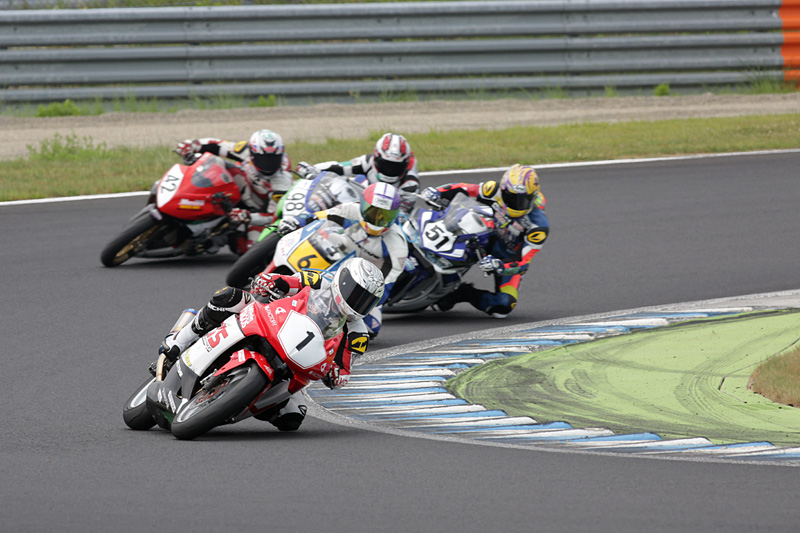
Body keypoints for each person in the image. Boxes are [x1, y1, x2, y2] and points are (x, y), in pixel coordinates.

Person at [155, 257, 384, 432]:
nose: (357, 303)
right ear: (342, 281)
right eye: (356, 294)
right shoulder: (320, 281)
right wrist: (270, 281)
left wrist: (337, 376)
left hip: (296, 361)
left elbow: (345, 367)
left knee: (291, 419)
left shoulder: (358, 335)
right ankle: (180, 339)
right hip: (273, 320)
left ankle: (232, 402)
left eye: (366, 300)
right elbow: (287, 281)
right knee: (229, 297)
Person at [276, 182, 408, 337]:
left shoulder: (397, 244)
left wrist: (360, 300)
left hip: (361, 282)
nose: (377, 219)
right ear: (363, 205)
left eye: (385, 216)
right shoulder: (350, 209)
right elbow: (319, 216)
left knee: (371, 328)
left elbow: (386, 285)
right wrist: (297, 221)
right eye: (373, 212)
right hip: (338, 255)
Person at [421, 164, 549, 318]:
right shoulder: (494, 190)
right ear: (503, 190)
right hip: (486, 236)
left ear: (533, 196)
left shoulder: (538, 227)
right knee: (462, 220)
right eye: (510, 197)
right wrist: (437, 192)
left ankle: (463, 293)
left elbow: (523, 263)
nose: (516, 203)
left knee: (503, 306)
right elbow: (464, 188)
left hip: (507, 257)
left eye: (523, 199)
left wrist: (500, 266)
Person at [175, 129, 294, 252]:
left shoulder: (283, 181)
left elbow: (272, 216)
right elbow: (218, 145)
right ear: (252, 153)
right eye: (263, 158)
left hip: (258, 208)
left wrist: (248, 217)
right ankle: (188, 197)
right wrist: (193, 145)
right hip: (241, 184)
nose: (268, 163)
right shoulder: (244, 150)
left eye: (273, 158)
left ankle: (221, 237)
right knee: (214, 164)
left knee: (248, 249)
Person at [299, 132, 420, 210]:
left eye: (395, 166)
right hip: (367, 201)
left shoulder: (410, 185)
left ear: (405, 164)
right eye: (385, 164)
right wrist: (313, 169)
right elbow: (338, 167)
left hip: (390, 215)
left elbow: (400, 216)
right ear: (376, 157)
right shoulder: (368, 161)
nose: (390, 169)